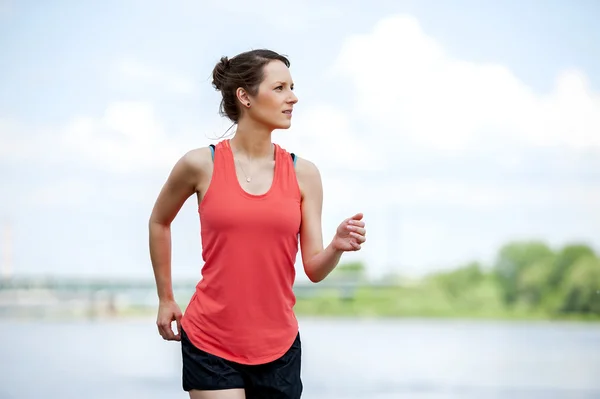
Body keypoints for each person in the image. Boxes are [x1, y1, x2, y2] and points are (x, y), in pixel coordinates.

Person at [148, 49, 367, 399]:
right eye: (280, 88)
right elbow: (159, 221)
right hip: (210, 338)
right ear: (245, 96)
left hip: (278, 347)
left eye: (292, 87)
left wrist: (336, 247)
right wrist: (165, 297)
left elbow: (313, 268)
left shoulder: (304, 174)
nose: (293, 97)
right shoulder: (199, 164)